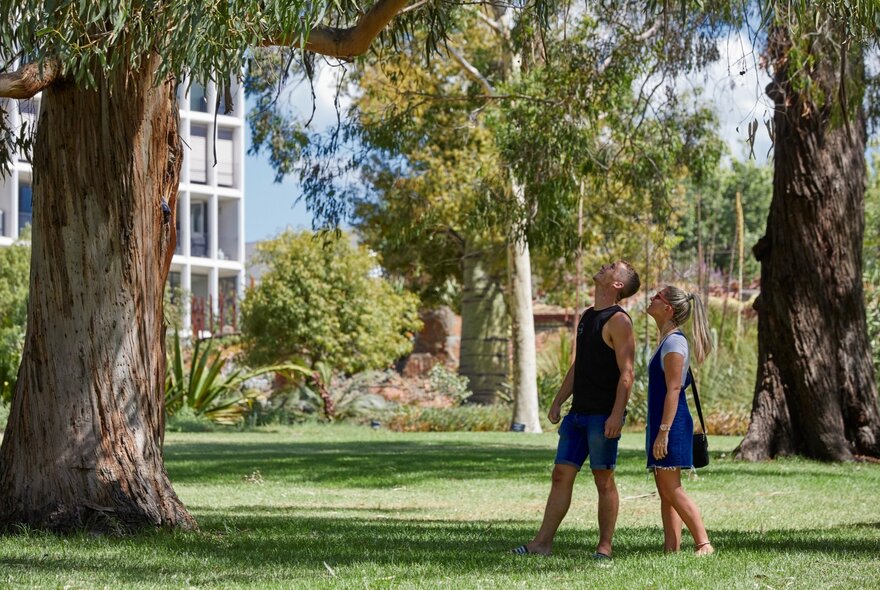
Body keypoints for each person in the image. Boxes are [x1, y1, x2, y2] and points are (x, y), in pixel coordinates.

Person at [513, 261, 640, 559]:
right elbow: (579, 364)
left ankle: (604, 547)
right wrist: (558, 400)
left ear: (617, 284)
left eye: (613, 267)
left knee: (603, 478)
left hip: (602, 417)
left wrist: (616, 415)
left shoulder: (620, 321)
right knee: (560, 474)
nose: (605, 266)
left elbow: (628, 373)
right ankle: (542, 543)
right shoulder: (587, 316)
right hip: (578, 415)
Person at [645, 285, 715, 556]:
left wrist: (663, 432)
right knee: (665, 489)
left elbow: (674, 389)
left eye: (657, 297)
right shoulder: (667, 340)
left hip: (671, 424)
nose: (652, 298)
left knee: (671, 488)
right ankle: (671, 549)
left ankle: (704, 543)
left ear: (668, 308)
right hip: (663, 423)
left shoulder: (675, 342)